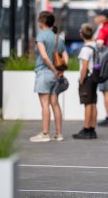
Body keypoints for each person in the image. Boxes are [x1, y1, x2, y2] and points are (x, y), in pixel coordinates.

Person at [30, 11, 69, 142]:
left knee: (45, 104)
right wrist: (60, 71)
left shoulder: (41, 36)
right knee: (55, 103)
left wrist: (53, 70)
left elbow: (45, 57)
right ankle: (59, 134)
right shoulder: (57, 37)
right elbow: (65, 56)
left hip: (45, 73)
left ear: (42, 22)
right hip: (56, 76)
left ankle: (45, 134)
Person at [72, 24, 99, 139]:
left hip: (87, 78)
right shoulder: (95, 46)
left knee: (87, 104)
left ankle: (86, 129)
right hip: (94, 77)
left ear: (81, 34)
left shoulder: (85, 49)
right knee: (93, 103)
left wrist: (81, 80)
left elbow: (84, 67)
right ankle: (93, 129)